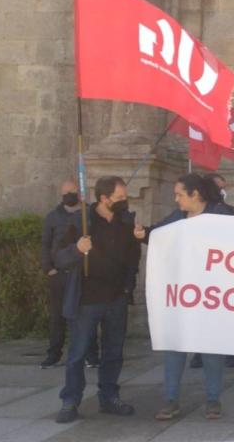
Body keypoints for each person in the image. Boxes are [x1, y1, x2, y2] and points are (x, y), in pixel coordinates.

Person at [134, 174, 234, 421]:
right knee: (175, 344)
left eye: (180, 194)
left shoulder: (221, 213)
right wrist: (143, 233)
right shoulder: (179, 216)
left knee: (211, 347)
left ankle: (213, 400)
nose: (176, 199)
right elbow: (158, 235)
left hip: (211, 293)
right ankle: (171, 399)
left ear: (195, 194)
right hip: (181, 293)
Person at [55, 176, 141, 424]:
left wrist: (127, 287)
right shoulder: (81, 221)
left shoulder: (126, 221)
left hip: (116, 298)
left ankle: (109, 397)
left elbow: (133, 257)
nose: (125, 201)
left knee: (114, 352)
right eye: (120, 197)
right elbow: (59, 257)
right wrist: (77, 249)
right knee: (78, 353)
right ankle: (70, 400)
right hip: (87, 299)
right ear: (104, 198)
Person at [40, 180, 98, 369]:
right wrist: (49, 268)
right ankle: (53, 355)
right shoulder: (53, 217)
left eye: (72, 191)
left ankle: (91, 355)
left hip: (82, 274)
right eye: (65, 193)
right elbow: (45, 244)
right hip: (60, 274)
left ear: (79, 193)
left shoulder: (89, 213)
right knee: (57, 317)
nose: (68, 195)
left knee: (86, 316)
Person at [183, 175, 234, 370]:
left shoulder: (225, 211)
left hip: (221, 273)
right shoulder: (187, 213)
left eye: (224, 188)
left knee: (224, 315)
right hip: (198, 274)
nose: (222, 192)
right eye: (219, 187)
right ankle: (200, 352)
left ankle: (229, 352)